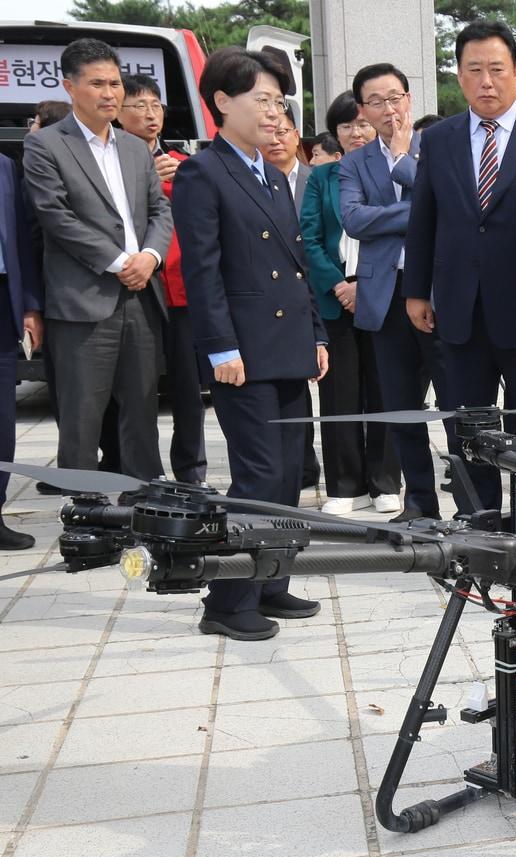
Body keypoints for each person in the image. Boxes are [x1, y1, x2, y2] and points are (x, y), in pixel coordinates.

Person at [172, 46, 328, 641]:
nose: (273, 112)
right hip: (243, 352)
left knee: (289, 473)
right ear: (221, 103)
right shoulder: (203, 172)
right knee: (258, 475)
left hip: (286, 344)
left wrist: (314, 332)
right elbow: (203, 272)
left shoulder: (270, 171)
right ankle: (227, 600)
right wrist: (219, 348)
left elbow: (295, 267)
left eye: (279, 101)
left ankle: (270, 581)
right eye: (261, 100)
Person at [403, 21, 516, 514]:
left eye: (497, 69)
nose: (486, 81)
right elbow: (424, 216)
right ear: (459, 76)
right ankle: (479, 519)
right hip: (458, 305)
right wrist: (416, 289)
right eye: (474, 70)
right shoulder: (440, 139)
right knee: (467, 422)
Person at [23, 38, 171, 481]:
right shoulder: (46, 146)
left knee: (143, 412)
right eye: (97, 84)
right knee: (82, 416)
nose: (110, 93)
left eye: (115, 83)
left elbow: (160, 210)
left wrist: (149, 257)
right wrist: (118, 262)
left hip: (142, 297)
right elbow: (55, 216)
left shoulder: (132, 147)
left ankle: (144, 504)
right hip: (84, 302)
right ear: (70, 87)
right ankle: (85, 518)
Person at [340, 62, 454, 521]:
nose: (388, 109)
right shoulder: (354, 161)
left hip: (437, 292)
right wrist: (417, 211)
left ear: (409, 99)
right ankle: (419, 503)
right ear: (363, 109)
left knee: (455, 404)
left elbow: (449, 206)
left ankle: (469, 503)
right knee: (400, 406)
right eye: (376, 101)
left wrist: (406, 163)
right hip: (385, 297)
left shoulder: (440, 148)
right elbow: (353, 220)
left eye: (395, 98)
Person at [302, 91, 401, 516]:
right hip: (335, 298)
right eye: (346, 126)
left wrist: (365, 286)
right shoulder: (321, 179)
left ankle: (384, 482)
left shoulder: (394, 173)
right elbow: (309, 236)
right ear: (335, 133)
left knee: (385, 389)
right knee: (340, 395)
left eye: (362, 123)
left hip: (381, 295)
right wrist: (339, 285)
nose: (356, 132)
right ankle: (345, 486)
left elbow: (402, 230)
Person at [116, 73, 206, 485]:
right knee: (137, 392)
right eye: (140, 106)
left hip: (183, 291)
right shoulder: (110, 165)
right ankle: (141, 476)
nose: (151, 114)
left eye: (156, 105)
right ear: (117, 113)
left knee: (189, 391)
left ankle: (191, 472)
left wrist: (177, 181)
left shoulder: (185, 165)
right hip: (137, 292)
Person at [265, 102, 322, 492]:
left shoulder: (314, 180)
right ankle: (297, 466)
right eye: (269, 131)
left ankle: (306, 464)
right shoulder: (254, 181)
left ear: (296, 136)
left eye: (284, 131)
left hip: (315, 294)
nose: (276, 139)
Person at [0, 152, 43, 549]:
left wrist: (30, 305)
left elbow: (22, 240)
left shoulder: (5, 166)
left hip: (3, 302)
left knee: (2, 423)